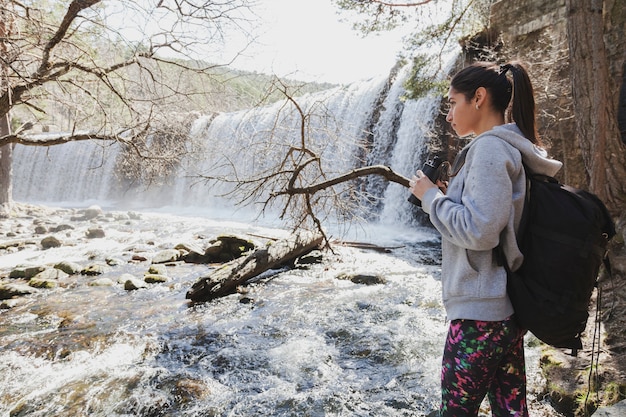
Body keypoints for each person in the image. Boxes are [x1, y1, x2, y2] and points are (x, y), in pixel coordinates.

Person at [410, 61, 563, 416]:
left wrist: (431, 198)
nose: (448, 114)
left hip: (481, 318)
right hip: (502, 310)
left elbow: (480, 232)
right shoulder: (505, 147)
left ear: (478, 98)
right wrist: (445, 201)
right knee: (511, 411)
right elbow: (488, 222)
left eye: (452, 103)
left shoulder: (489, 150)